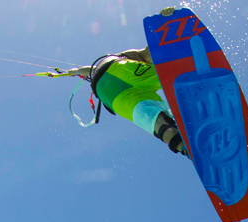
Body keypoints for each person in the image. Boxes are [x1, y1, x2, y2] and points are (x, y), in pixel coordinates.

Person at [44, 7, 190, 157]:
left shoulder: (136, 71)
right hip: (118, 71)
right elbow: (153, 48)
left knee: (156, 118)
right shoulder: (138, 56)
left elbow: (85, 70)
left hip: (109, 94)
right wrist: (166, 19)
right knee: (174, 73)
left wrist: (72, 72)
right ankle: (196, 78)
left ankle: (186, 149)